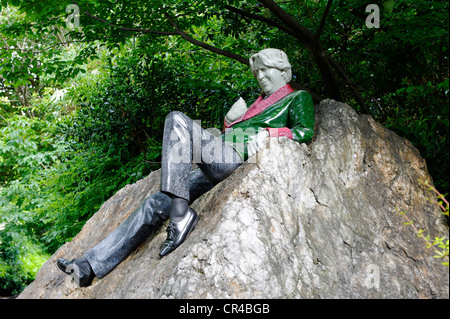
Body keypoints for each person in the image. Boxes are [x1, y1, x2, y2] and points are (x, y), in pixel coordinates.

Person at [56, 48, 315, 287]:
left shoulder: (297, 98)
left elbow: (304, 131)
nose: (259, 75)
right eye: (256, 71)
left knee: (177, 120)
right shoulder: (257, 103)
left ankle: (181, 216)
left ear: (283, 71)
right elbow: (233, 134)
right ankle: (88, 266)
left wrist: (272, 133)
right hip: (218, 162)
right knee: (155, 204)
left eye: (265, 69)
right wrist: (229, 121)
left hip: (233, 158)